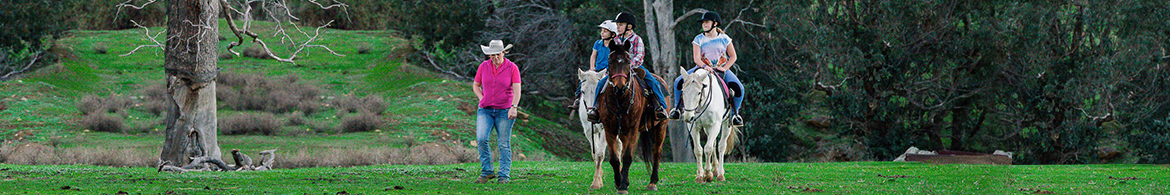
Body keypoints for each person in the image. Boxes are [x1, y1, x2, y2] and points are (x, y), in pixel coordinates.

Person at [587, 12, 669, 122]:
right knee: (601, 84)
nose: (617, 27)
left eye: (620, 25)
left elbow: (639, 56)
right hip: (618, 69)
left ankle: (661, 107)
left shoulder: (636, 39)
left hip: (635, 67)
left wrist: (628, 65)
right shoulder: (615, 40)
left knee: (653, 82)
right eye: (617, 25)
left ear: (629, 26)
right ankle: (595, 108)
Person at [668, 11, 745, 126]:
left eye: (707, 22)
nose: (704, 24)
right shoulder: (698, 39)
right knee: (678, 81)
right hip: (701, 68)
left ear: (715, 24)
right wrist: (705, 67)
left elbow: (733, 56)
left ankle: (734, 115)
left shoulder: (725, 38)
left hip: (721, 69)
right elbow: (696, 58)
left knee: (739, 88)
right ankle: (677, 110)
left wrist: (725, 68)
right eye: (703, 22)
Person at [472, 40, 522, 184]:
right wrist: (482, 98)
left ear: (504, 53)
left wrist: (514, 107)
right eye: (492, 55)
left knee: (503, 143)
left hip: (505, 111)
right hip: (485, 110)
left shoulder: (512, 68)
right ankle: (487, 171)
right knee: (481, 139)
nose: (495, 57)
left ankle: (504, 176)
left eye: (498, 54)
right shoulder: (483, 66)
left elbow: (517, 89)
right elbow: (476, 85)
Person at [571, 20, 619, 109]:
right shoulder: (598, 43)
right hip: (597, 70)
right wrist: (592, 68)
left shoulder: (615, 46)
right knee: (584, 81)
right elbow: (593, 56)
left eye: (605, 31)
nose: (602, 33)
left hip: (608, 71)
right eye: (602, 31)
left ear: (612, 34)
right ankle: (577, 99)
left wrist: (610, 71)